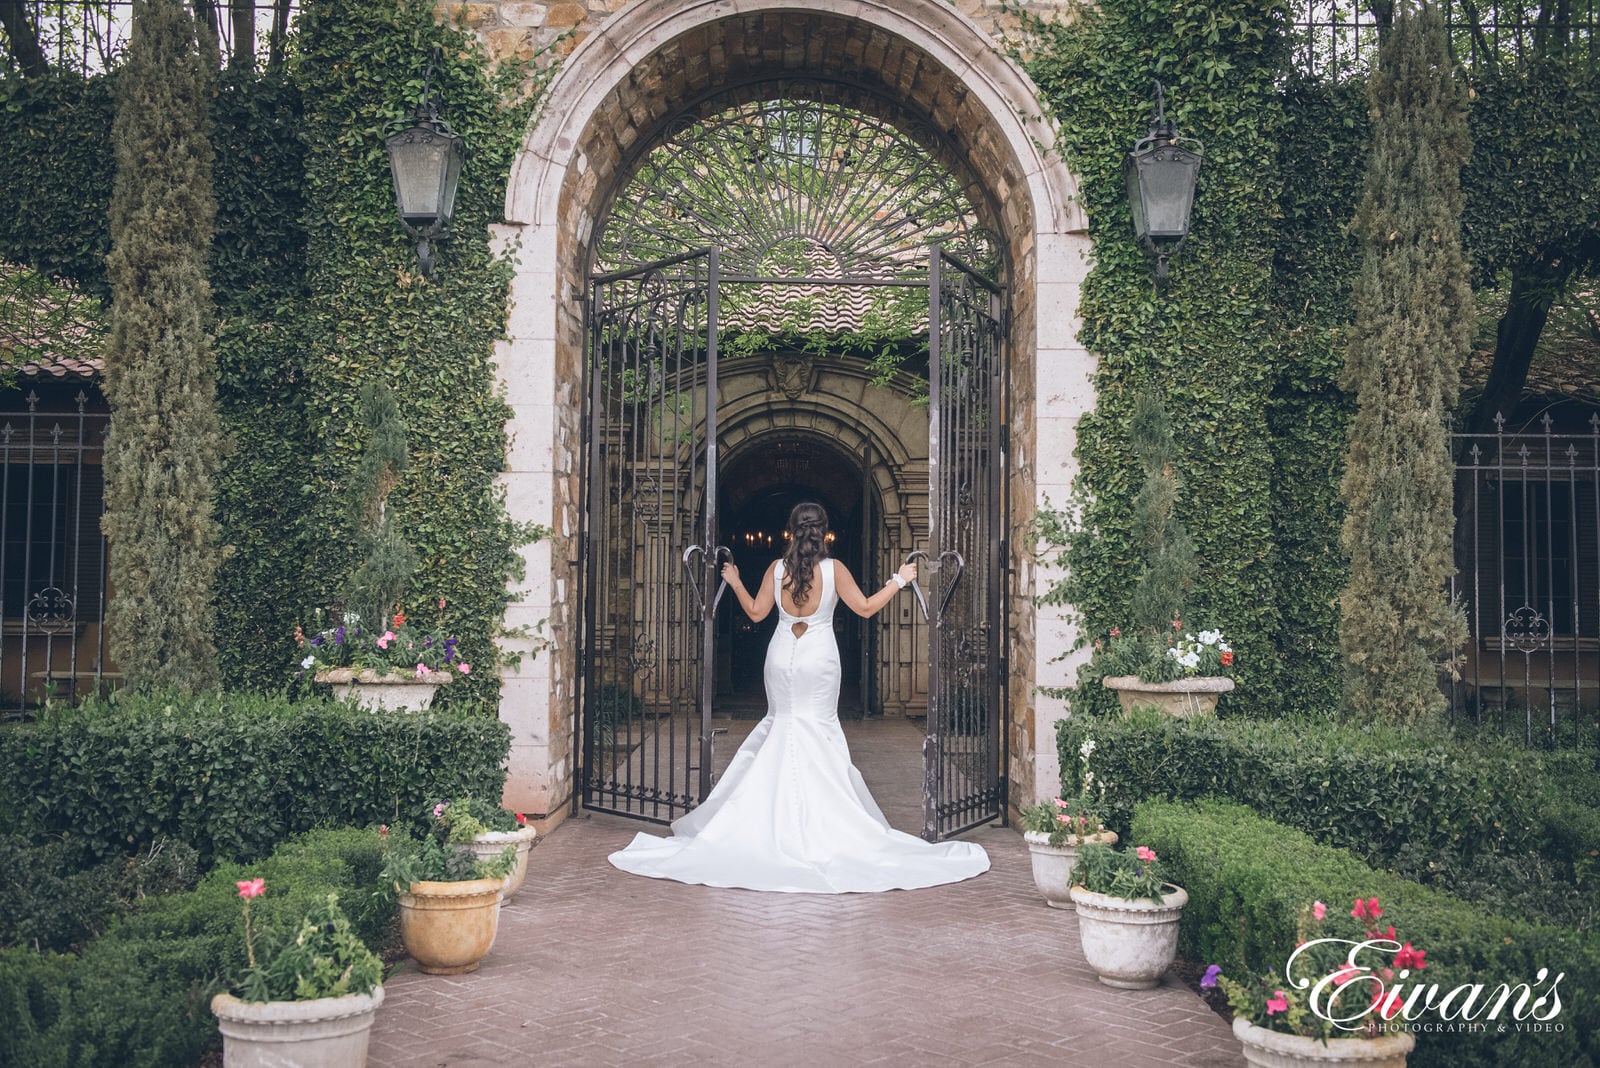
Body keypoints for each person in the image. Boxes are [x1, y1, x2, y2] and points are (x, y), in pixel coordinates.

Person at [607, 501, 990, 893]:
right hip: (820, 656)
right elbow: (865, 607)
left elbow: (757, 613)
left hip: (781, 655)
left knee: (783, 724)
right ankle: (822, 821)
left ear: (791, 531)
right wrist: (900, 579)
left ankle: (761, 822)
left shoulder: (776, 569)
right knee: (819, 728)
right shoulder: (834, 569)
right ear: (823, 531)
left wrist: (735, 580)